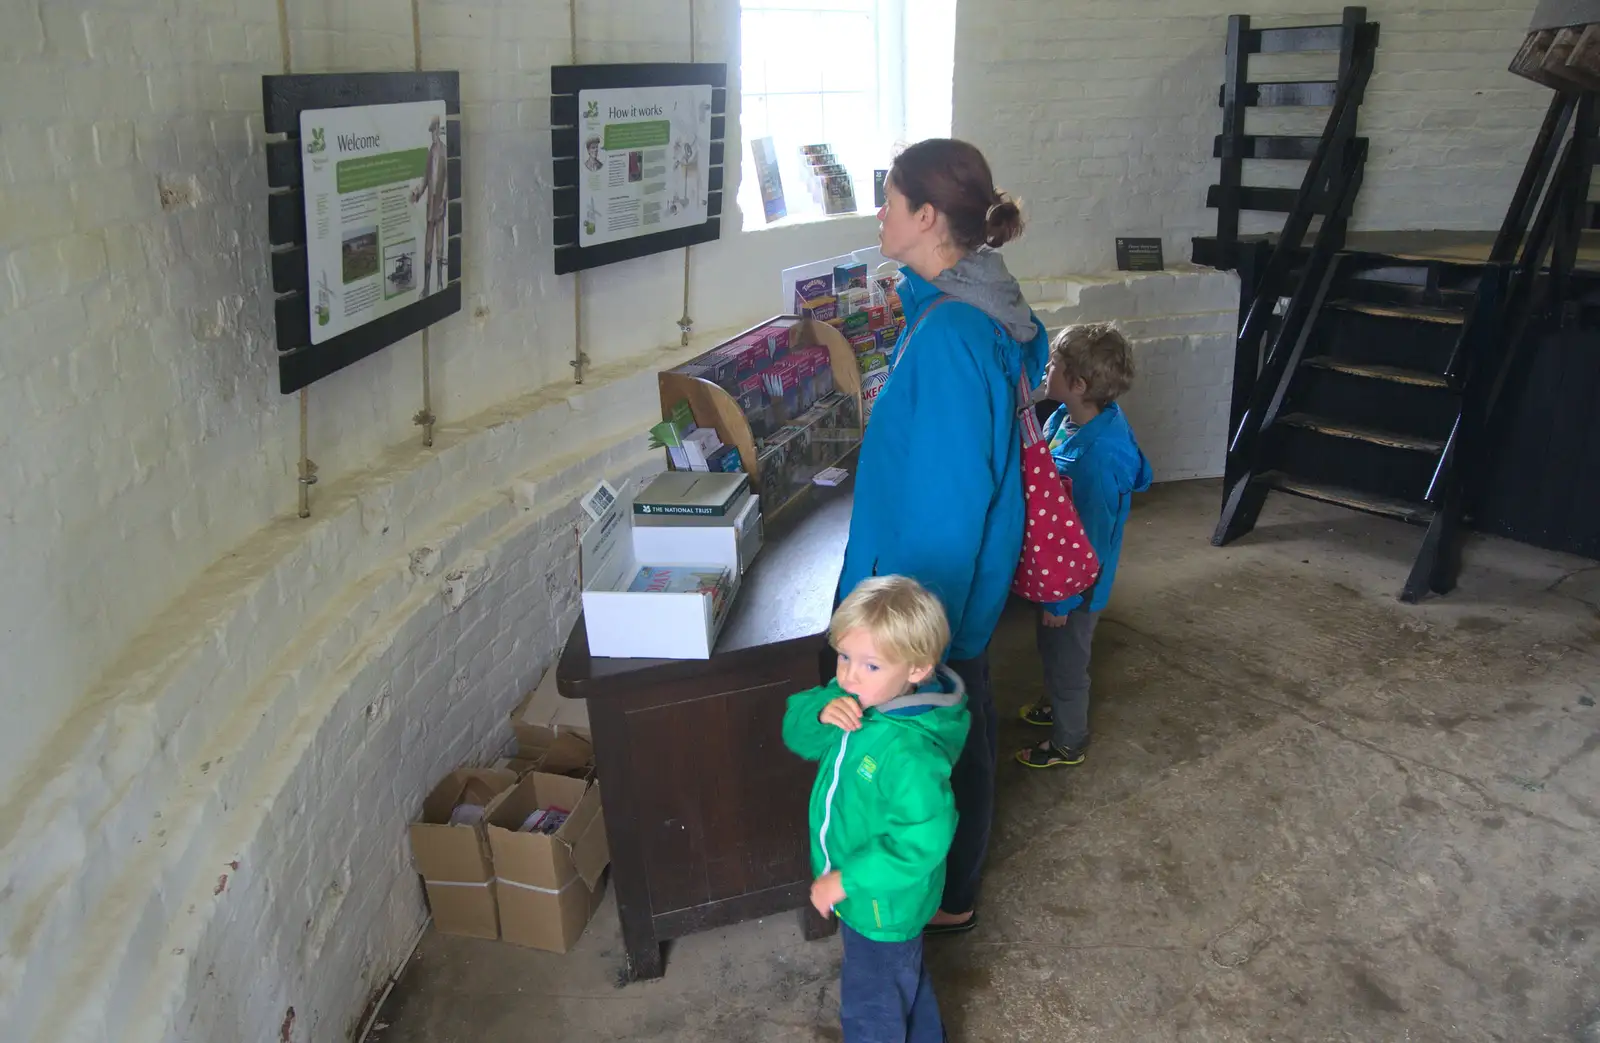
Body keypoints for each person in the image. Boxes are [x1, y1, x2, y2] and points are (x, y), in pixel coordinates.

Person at [836, 137, 1048, 936]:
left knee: (949, 744)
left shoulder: (955, 336)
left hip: (930, 606)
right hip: (936, 602)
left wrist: (902, 636)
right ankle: (952, 889)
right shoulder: (956, 308)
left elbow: (953, 508)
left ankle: (946, 897)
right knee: (966, 726)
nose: (880, 213)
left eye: (889, 199)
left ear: (927, 217)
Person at [782, 576, 969, 1043]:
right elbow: (797, 735)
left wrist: (846, 880)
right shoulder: (860, 695)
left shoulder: (907, 754)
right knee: (902, 979)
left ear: (917, 669)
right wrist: (823, 708)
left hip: (882, 903)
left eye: (868, 664)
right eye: (844, 657)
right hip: (871, 895)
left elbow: (920, 840)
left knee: (871, 1006)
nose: (847, 675)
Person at [1015, 323, 1152, 768]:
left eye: (1053, 364)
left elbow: (1089, 543)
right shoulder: (1068, 418)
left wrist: (1064, 600)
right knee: (1052, 652)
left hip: (1077, 587)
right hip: (1058, 574)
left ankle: (1068, 741)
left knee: (1068, 663)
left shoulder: (1097, 461)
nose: (1046, 369)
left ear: (1077, 384)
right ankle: (1057, 705)